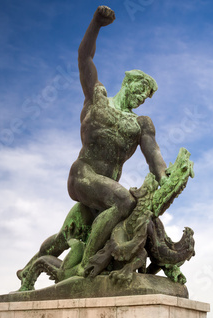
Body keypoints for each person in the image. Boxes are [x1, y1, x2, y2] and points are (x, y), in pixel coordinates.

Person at [67, 5, 168, 276]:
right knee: (124, 201)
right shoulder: (96, 98)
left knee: (140, 212)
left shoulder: (141, 124)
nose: (142, 98)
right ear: (128, 82)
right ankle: (86, 268)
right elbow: (84, 57)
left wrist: (168, 177)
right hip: (83, 175)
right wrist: (96, 24)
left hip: (107, 189)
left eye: (146, 96)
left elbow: (155, 159)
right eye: (140, 89)